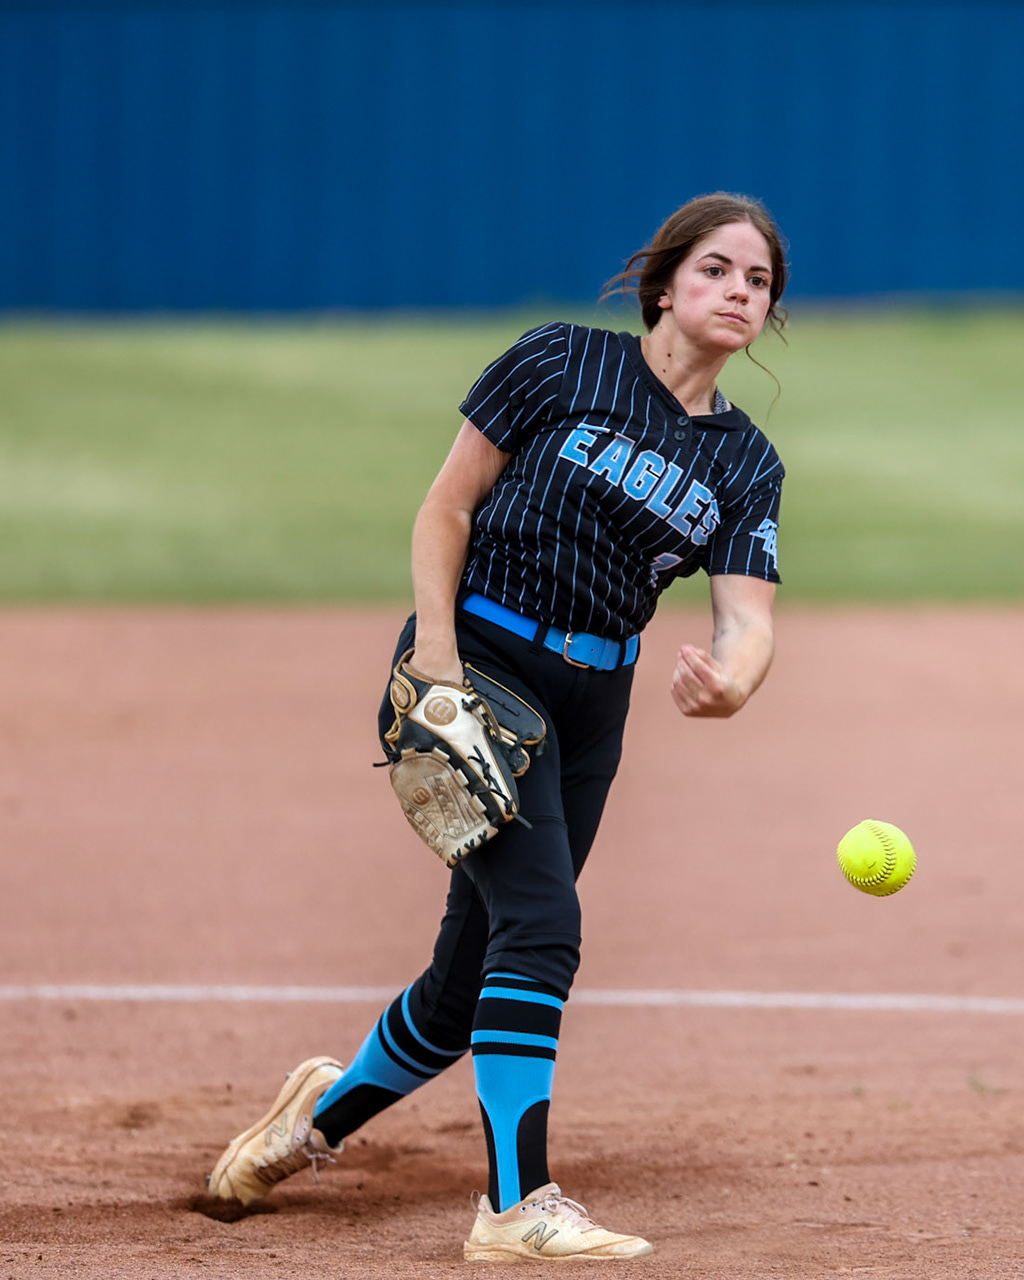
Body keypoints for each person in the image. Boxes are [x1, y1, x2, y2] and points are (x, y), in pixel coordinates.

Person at [204, 192, 789, 1262]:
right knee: (546, 925)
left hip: (592, 707)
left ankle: (306, 1127)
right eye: (716, 269)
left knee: (466, 978)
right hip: (476, 661)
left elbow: (746, 618)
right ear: (664, 283)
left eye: (756, 281)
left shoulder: (746, 461)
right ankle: (514, 1205)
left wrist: (734, 683)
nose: (737, 291)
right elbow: (447, 505)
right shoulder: (561, 361)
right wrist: (432, 654)